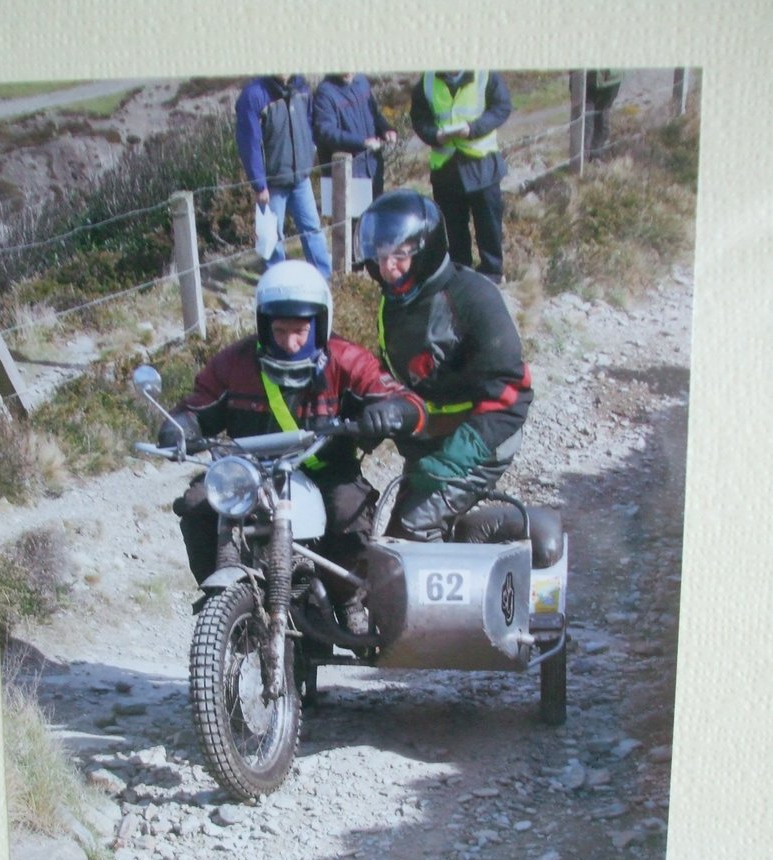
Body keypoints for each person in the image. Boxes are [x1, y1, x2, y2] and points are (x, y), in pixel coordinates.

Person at [157, 260, 424, 629]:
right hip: (252, 472)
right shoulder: (235, 363)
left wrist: (390, 412)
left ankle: (347, 599)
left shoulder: (347, 359)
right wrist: (180, 425)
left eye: (300, 331)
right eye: (280, 330)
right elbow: (199, 404)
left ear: (320, 325)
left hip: (328, 469)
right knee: (199, 504)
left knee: (348, 512)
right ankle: (221, 597)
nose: (290, 341)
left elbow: (405, 401)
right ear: (263, 325)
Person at [353, 188, 532, 542]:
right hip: (431, 437)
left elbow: (512, 394)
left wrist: (452, 460)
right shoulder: (394, 303)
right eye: (382, 255)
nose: (389, 268)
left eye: (401, 255)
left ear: (426, 250)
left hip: (484, 436)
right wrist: (371, 414)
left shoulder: (473, 298)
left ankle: (447, 592)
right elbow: (397, 375)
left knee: (412, 530)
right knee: (393, 539)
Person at [410, 70, 511, 282]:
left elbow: (501, 107)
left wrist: (473, 129)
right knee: (453, 228)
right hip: (446, 168)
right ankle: (459, 273)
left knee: (488, 223)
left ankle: (492, 272)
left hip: (481, 164)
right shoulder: (427, 81)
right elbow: (419, 118)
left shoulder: (484, 74)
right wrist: (435, 135)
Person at [235, 74, 332, 279]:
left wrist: (309, 152)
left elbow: (308, 122)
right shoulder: (254, 96)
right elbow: (249, 144)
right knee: (272, 236)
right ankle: (276, 278)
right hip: (272, 184)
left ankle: (325, 277)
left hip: (300, 178)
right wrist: (259, 184)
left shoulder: (302, 88)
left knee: (312, 228)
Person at [312, 73, 397, 202]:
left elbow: (374, 114)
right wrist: (362, 142)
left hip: (373, 166)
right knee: (353, 219)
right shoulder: (325, 93)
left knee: (373, 216)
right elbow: (326, 132)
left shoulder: (362, 82)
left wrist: (386, 129)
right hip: (348, 171)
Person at [571, 70, 624, 161]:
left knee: (602, 120)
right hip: (585, 78)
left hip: (610, 79)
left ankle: (594, 157)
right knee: (584, 123)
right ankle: (581, 160)